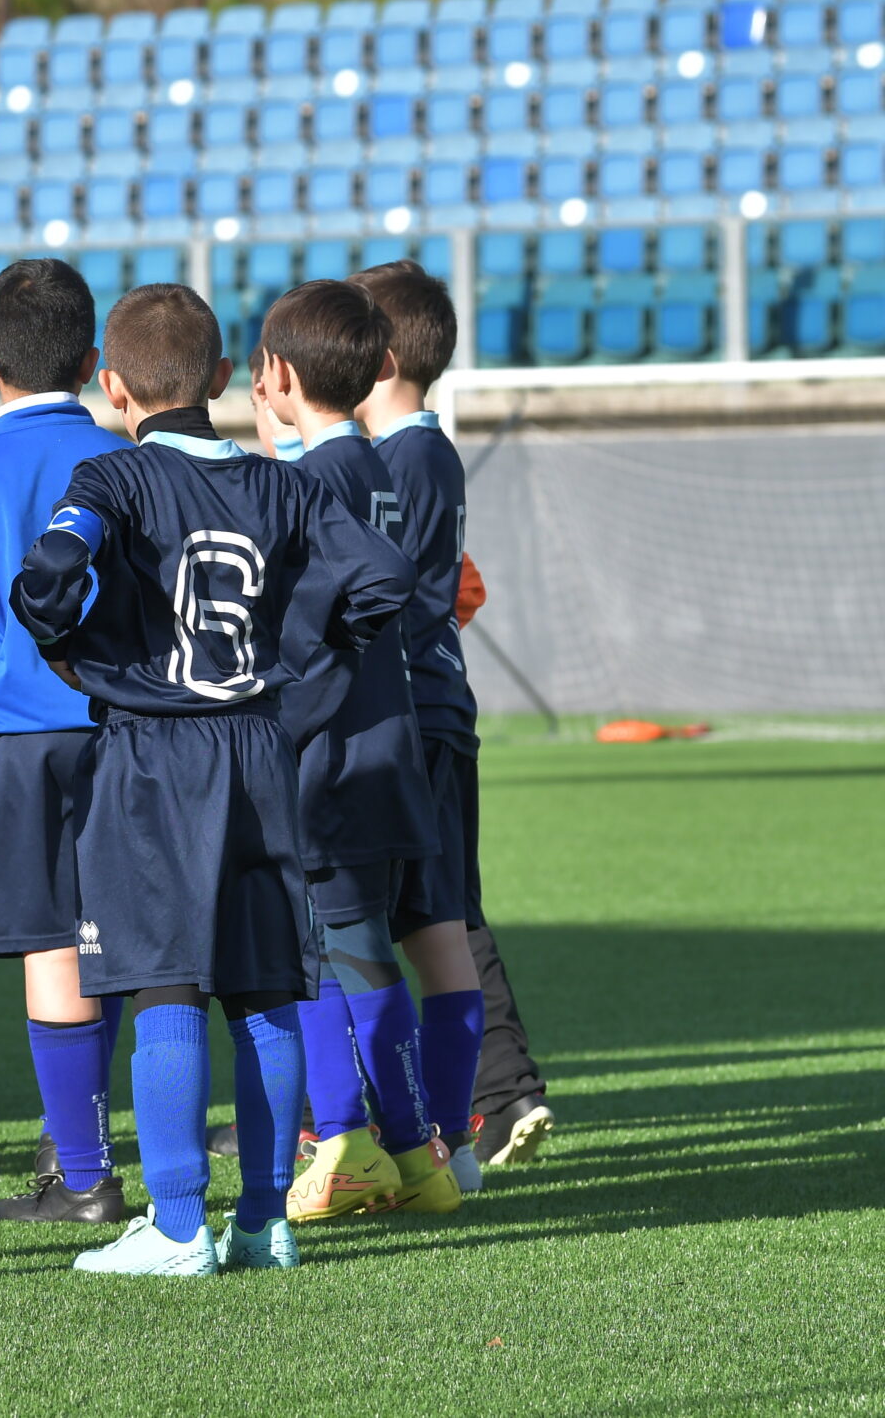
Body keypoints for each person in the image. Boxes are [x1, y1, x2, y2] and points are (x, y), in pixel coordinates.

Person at [10, 283, 413, 1277]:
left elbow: (52, 573)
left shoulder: (109, 478)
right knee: (265, 993)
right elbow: (382, 582)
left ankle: (181, 1224)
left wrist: (72, 646)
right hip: (260, 752)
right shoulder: (288, 484)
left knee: (164, 986)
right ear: (225, 379)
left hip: (155, 756)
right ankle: (266, 1221)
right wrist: (303, 690)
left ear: (112, 387)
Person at [0, 260, 134, 1225]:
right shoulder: (131, 465)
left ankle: (83, 1174)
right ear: (94, 362)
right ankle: (73, 1143)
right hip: (129, 728)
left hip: (17, 734)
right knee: (113, 934)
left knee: (52, 941)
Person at [257, 282, 464, 1223]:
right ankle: (415, 1152)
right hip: (387, 737)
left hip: (332, 750)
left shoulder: (310, 485)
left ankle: (344, 1141)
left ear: (282, 376)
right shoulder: (376, 466)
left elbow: (308, 622)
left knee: (318, 950)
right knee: (363, 945)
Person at [349, 259, 553, 1172]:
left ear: (380, 355)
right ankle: (472, 1108)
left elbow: (392, 593)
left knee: (414, 919)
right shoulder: (410, 454)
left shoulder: (410, 457)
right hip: (428, 710)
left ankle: (448, 1118)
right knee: (434, 918)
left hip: (414, 717)